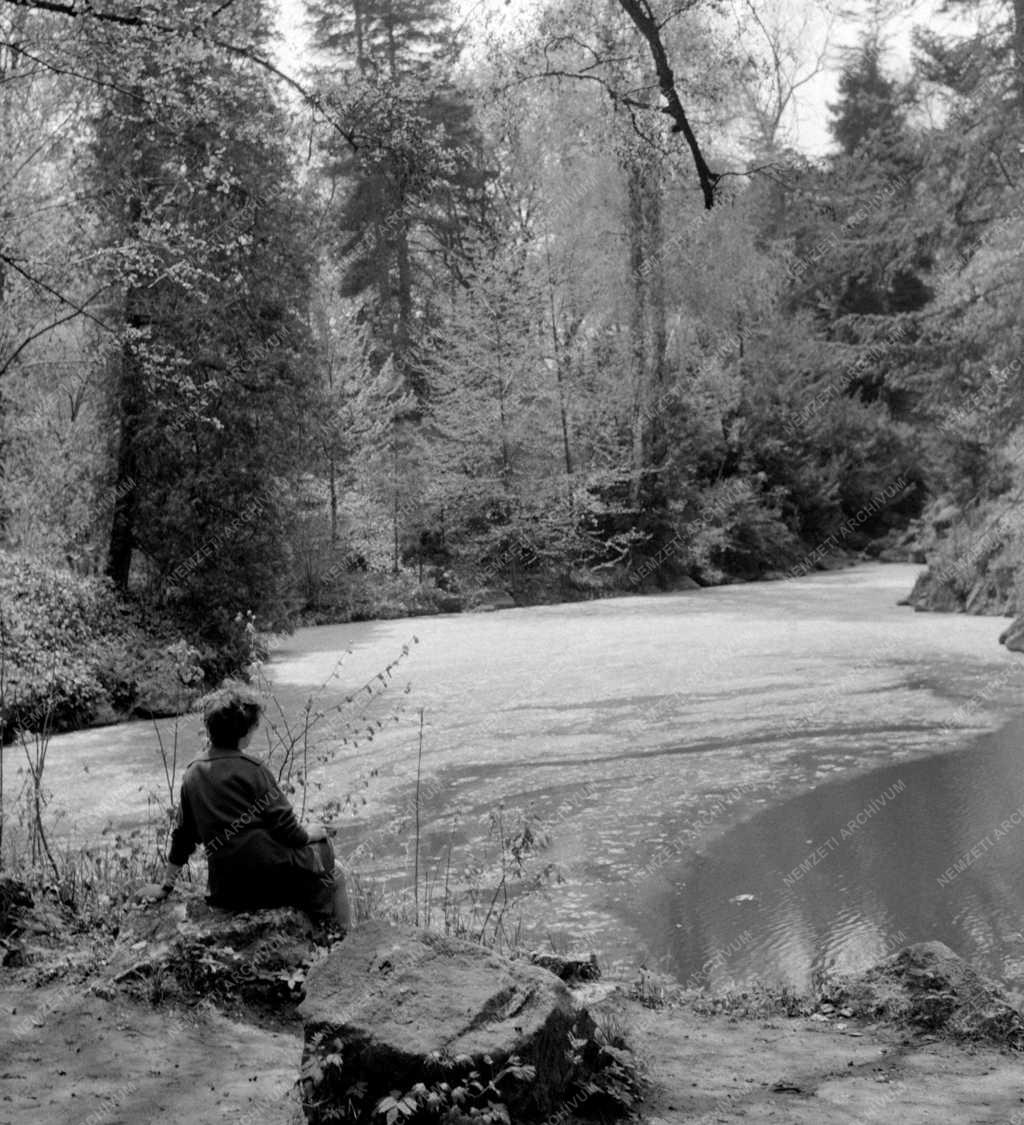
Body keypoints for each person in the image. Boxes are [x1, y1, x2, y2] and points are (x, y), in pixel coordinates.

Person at [137, 684, 351, 932]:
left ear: (210, 728)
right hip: (267, 883)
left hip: (226, 891)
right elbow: (290, 833)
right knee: (336, 873)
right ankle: (342, 942)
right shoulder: (254, 769)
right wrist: (314, 831)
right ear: (244, 732)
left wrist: (166, 887)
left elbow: (184, 837)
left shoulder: (193, 774)